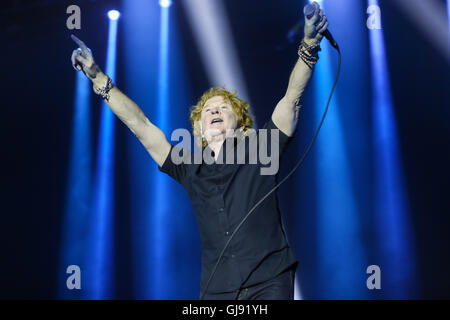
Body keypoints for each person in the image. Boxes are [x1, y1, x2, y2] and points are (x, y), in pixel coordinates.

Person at [71, 2, 329, 300]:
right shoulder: (188, 166)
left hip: (268, 282)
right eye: (208, 110)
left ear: (242, 125)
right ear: (200, 130)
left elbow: (292, 99)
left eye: (223, 108)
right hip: (216, 291)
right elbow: (139, 125)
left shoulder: (262, 148)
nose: (215, 111)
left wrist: (309, 44)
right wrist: (98, 78)